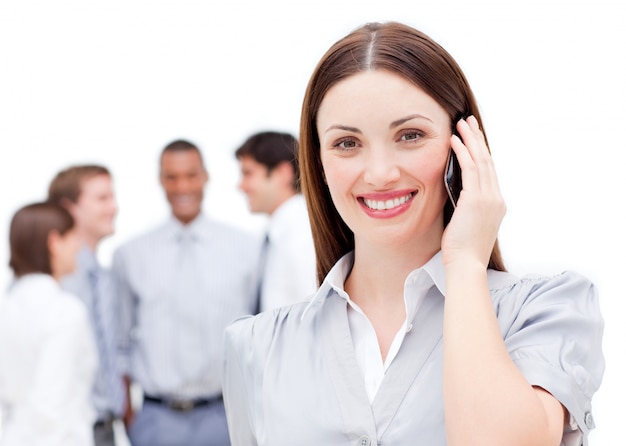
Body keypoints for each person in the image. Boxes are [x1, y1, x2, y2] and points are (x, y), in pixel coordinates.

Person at [222, 21, 605, 446]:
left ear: (463, 149)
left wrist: (463, 263)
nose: (380, 173)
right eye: (347, 143)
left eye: (411, 135)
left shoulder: (546, 311)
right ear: (320, 165)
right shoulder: (255, 346)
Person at [112, 139, 260, 446]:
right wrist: (129, 414)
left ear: (206, 176)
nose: (182, 187)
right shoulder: (131, 254)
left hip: (226, 415)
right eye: (172, 177)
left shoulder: (247, 249)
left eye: (191, 175)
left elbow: (262, 334)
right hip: (156, 421)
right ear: (160, 180)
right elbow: (120, 341)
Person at [0, 202, 97, 446]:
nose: (78, 246)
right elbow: (49, 409)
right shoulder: (64, 311)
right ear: (54, 242)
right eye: (73, 237)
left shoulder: (8, 306)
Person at [47, 164, 125, 446]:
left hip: (105, 427)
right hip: (71, 430)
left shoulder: (103, 276)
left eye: (112, 197)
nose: (113, 207)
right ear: (70, 209)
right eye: (102, 198)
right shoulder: (56, 281)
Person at [235, 130, 317, 311]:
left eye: (248, 173)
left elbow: (319, 312)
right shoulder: (275, 234)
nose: (241, 185)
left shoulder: (304, 236)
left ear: (282, 173)